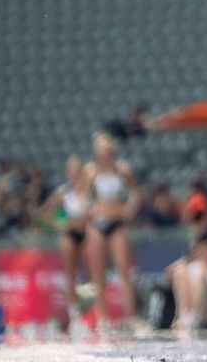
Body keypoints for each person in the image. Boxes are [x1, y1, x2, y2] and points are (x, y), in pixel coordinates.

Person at [82, 132, 141, 331]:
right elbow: (82, 197)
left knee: (125, 272)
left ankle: (130, 317)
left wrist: (130, 210)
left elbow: (136, 193)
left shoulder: (122, 169)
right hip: (98, 224)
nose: (105, 151)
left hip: (117, 223)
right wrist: (91, 212)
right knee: (99, 275)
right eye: (101, 147)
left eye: (107, 147)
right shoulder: (90, 171)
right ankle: (103, 319)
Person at [164, 232, 207, 336]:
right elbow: (168, 276)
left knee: (200, 273)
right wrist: (184, 262)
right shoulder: (191, 267)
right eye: (203, 250)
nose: (206, 253)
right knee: (180, 271)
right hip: (189, 309)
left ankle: (194, 318)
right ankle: (184, 317)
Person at [51, 155, 91, 332]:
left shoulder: (90, 191)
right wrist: (58, 223)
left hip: (88, 233)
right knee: (71, 273)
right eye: (72, 171)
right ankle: (74, 313)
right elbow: (45, 213)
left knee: (92, 271)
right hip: (70, 233)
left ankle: (93, 308)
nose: (75, 174)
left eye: (78, 171)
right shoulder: (64, 192)